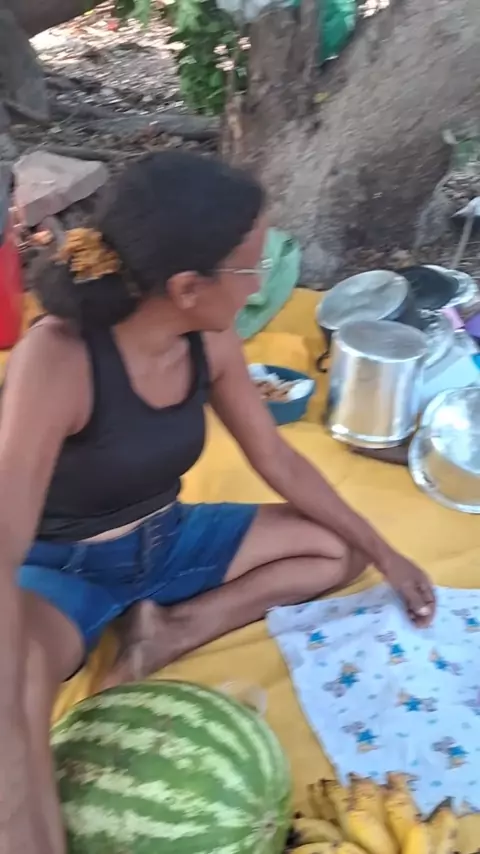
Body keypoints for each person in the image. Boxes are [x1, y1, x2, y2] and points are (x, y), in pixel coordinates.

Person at [0, 151, 435, 854]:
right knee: (16, 696)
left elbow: (278, 458)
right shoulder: (57, 359)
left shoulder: (210, 340)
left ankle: (169, 631)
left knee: (340, 546)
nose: (261, 284)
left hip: (168, 543)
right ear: (186, 287)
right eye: (249, 268)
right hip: (62, 573)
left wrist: (388, 554)